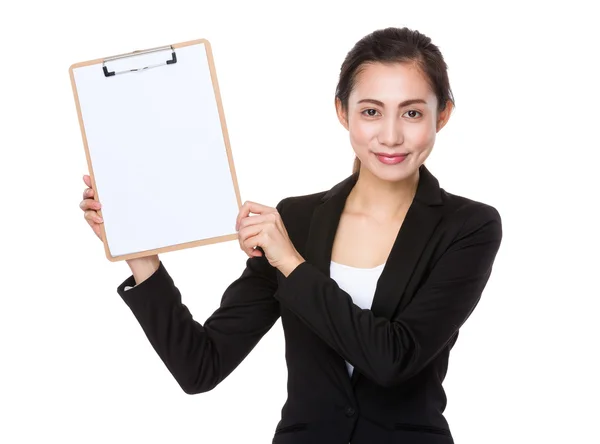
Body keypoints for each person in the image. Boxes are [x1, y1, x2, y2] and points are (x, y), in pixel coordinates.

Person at [79, 26, 502, 444]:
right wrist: (140, 255)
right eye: (371, 111)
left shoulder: (468, 227)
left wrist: (291, 264)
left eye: (412, 112)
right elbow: (200, 368)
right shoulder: (295, 220)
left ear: (442, 114)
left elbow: (393, 359)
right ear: (342, 111)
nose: (390, 136)